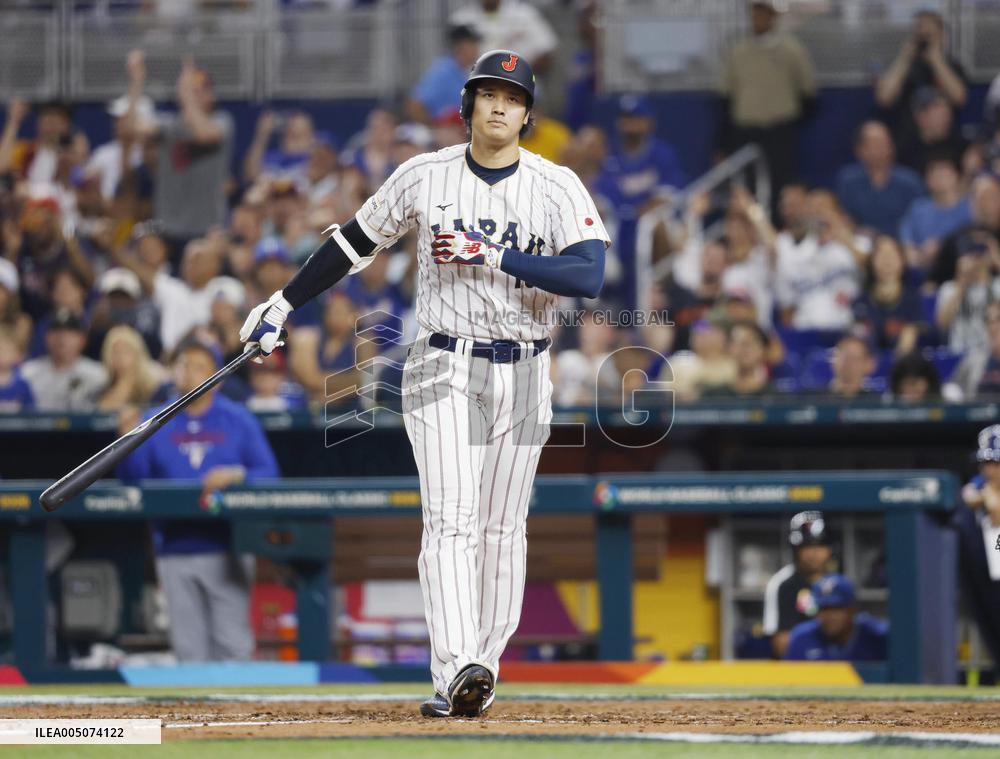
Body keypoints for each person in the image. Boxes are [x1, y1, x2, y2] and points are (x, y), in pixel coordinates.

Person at [238, 50, 609, 717]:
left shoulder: (554, 185)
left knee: (502, 529)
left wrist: (492, 253)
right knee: (450, 520)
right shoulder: (424, 175)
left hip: (526, 367)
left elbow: (587, 274)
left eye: (512, 97)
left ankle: (481, 672)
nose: (499, 106)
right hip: (443, 362)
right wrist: (283, 302)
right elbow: (353, 242)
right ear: (468, 105)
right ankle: (453, 669)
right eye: (488, 93)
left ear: (527, 114)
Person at [117, 338, 279, 662]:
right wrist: (127, 442)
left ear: (217, 376)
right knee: (189, 651)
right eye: (184, 365)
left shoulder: (237, 419)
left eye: (199, 366)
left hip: (228, 545)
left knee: (232, 646)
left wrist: (237, 475)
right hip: (174, 545)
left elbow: (269, 475)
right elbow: (132, 481)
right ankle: (196, 717)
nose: (190, 373)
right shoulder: (155, 419)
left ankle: (241, 715)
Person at [121, 53, 234, 261]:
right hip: (168, 232)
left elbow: (204, 134)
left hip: (207, 232)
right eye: (192, 91)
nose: (193, 96)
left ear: (212, 96)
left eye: (200, 91)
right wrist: (136, 83)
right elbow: (128, 130)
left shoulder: (222, 122)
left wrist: (186, 96)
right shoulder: (170, 126)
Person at [718, 0, 816, 204]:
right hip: (747, 131)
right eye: (756, 13)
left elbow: (808, 92)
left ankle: (779, 231)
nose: (759, 19)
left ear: (774, 17)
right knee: (749, 186)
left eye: (765, 13)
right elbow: (726, 96)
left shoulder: (791, 50)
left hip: (780, 132)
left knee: (781, 186)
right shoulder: (738, 51)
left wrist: (791, 122)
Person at [596, 94, 685, 308]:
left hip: (652, 226)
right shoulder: (611, 157)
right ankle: (605, 308)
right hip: (619, 226)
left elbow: (668, 197)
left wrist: (638, 212)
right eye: (626, 119)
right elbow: (602, 199)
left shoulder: (662, 154)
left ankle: (663, 295)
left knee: (650, 227)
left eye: (636, 118)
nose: (630, 125)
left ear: (648, 122)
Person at [875, 8, 967, 146]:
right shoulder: (905, 66)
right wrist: (904, 59)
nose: (924, 38)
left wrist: (936, 61)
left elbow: (960, 98)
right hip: (908, 141)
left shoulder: (953, 67)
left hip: (945, 142)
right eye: (919, 33)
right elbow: (884, 99)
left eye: (929, 34)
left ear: (941, 35)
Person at [775, 190, 860, 330]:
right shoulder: (794, 253)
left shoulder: (856, 245)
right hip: (806, 330)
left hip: (846, 330)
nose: (819, 213)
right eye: (813, 209)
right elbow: (787, 303)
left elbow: (870, 266)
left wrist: (840, 233)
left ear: (836, 212)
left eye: (823, 208)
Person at [955, 425, 1000, 673]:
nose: (991, 470)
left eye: (997, 463)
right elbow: (969, 492)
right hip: (987, 580)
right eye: (987, 463)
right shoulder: (979, 489)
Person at [762, 510, 834, 658]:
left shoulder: (837, 583)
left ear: (829, 549)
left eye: (820, 545)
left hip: (835, 665)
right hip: (796, 668)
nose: (814, 553)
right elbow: (780, 643)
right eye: (807, 546)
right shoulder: (782, 583)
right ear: (796, 550)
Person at [835, 121, 925, 236]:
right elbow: (844, 216)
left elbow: (920, 220)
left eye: (886, 142)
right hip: (860, 243)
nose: (882, 148)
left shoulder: (910, 181)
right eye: (875, 143)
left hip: (901, 245)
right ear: (859, 149)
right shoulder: (847, 180)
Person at [784, 574, 888, 661]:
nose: (829, 616)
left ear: (852, 609)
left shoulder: (878, 635)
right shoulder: (802, 637)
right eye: (824, 609)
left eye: (836, 609)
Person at [20, 308, 107, 411]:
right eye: (56, 331)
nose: (62, 337)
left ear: (83, 339)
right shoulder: (27, 373)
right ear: (46, 337)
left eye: (70, 332)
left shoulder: (98, 375)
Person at [899, 153, 971, 271]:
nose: (940, 178)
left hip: (958, 269)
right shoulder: (917, 209)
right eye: (934, 174)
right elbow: (907, 242)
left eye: (944, 174)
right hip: (923, 269)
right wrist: (918, 256)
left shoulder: (970, 209)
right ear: (927, 180)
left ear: (956, 176)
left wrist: (942, 249)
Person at [852, 236, 923, 356]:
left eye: (892, 255)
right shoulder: (860, 301)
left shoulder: (913, 300)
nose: (887, 261)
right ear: (871, 261)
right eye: (882, 255)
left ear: (902, 261)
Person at [929, 172, 1000, 287]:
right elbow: (933, 283)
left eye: (993, 196)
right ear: (973, 203)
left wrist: (996, 259)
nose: (989, 203)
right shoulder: (959, 237)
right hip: (965, 297)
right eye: (983, 198)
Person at [449, 1, 557, 75]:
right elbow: (455, 61)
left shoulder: (525, 14)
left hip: (521, 86)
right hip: (475, 86)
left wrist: (517, 73)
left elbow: (546, 52)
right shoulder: (461, 19)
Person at [935, 235, 1000, 354]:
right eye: (970, 257)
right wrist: (962, 283)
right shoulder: (949, 288)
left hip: (990, 353)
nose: (974, 262)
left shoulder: (996, 285)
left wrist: (995, 260)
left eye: (978, 257)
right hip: (959, 352)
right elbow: (942, 324)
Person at [407, 25, 482, 125]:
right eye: (472, 44)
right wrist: (435, 130)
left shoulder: (462, 70)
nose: (477, 48)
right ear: (460, 46)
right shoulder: (443, 70)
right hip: (445, 135)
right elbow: (415, 105)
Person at [896, 87, 968, 175]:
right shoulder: (906, 151)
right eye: (938, 112)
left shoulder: (962, 146)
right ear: (920, 117)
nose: (946, 117)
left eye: (947, 111)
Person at [97, 324, 165, 411]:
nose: (120, 357)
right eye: (115, 352)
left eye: (126, 351)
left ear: (138, 354)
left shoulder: (154, 390)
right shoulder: (101, 390)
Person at [242, 110, 316, 186]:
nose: (294, 141)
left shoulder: (316, 161)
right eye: (290, 134)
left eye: (299, 135)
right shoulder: (272, 157)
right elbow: (250, 175)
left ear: (311, 138)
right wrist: (262, 135)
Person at [826, 334, 877, 400]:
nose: (847, 364)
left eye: (853, 358)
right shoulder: (813, 400)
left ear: (869, 364)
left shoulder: (876, 404)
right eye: (842, 357)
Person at [0, 328, 34, 412]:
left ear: (17, 355)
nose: (1, 354)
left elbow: (30, 410)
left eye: (6, 351)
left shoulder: (22, 381)